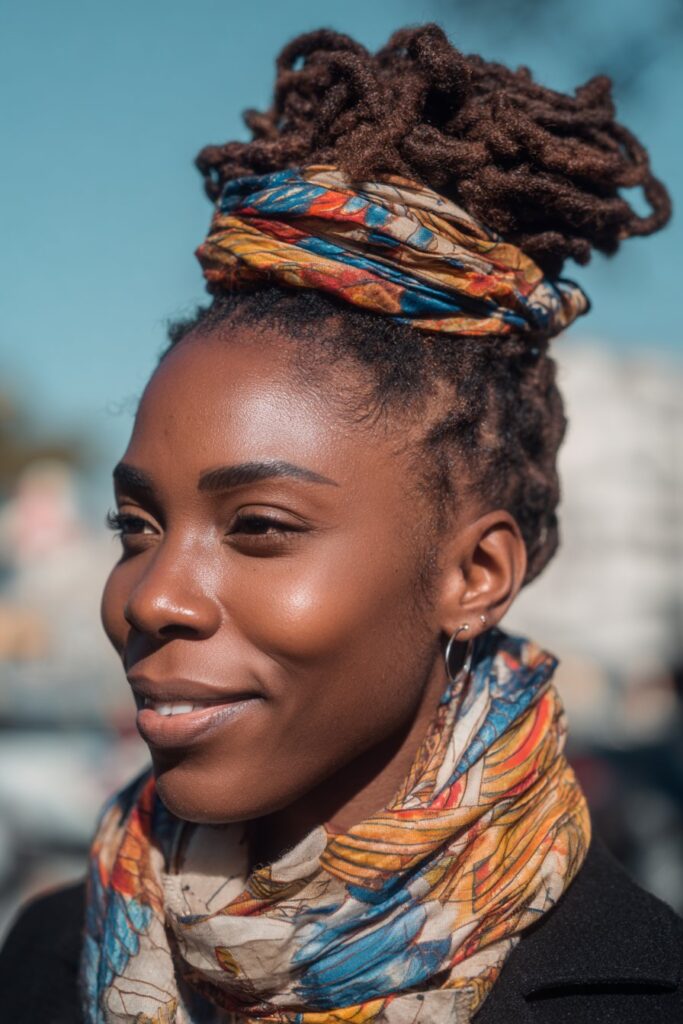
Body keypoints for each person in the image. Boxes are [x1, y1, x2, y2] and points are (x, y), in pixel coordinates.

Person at [1, 23, 680, 1024]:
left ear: (474, 574)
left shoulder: (633, 996)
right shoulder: (45, 958)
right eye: (136, 525)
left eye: (260, 527)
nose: (150, 596)